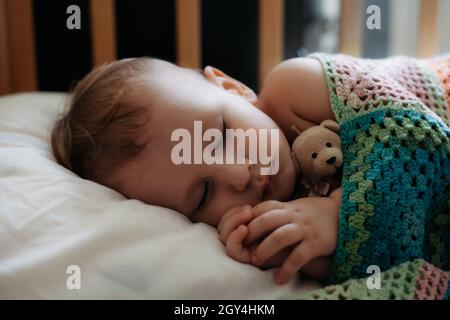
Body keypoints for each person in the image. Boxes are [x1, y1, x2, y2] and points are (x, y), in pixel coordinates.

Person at [51, 56, 343, 285]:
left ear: (233, 90)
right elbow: (371, 260)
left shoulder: (294, 89)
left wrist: (336, 209)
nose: (239, 175)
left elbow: (389, 116)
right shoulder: (263, 226)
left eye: (222, 136)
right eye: (204, 194)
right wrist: (284, 254)